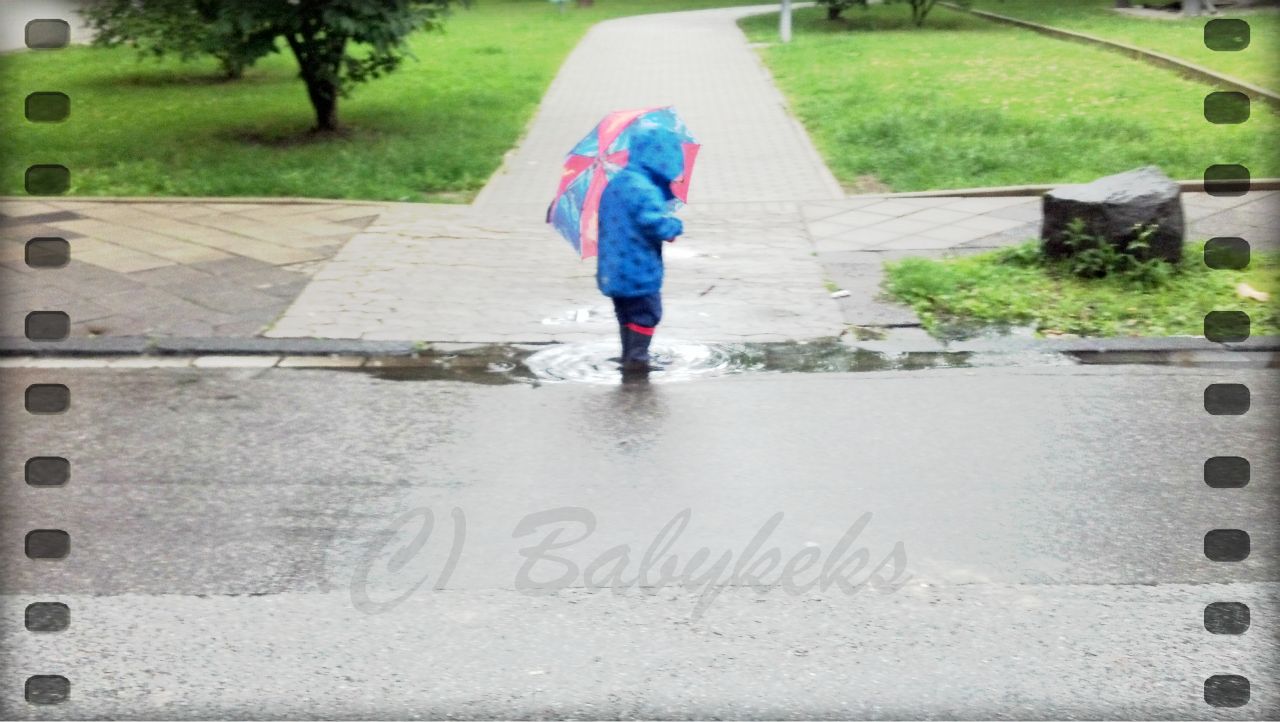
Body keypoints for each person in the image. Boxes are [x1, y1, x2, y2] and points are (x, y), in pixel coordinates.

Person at [596, 123, 685, 377]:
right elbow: (654, 222)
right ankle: (637, 360)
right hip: (637, 268)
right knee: (647, 313)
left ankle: (628, 355)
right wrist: (673, 227)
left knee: (626, 313)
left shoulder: (616, 184)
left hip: (612, 268)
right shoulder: (644, 190)